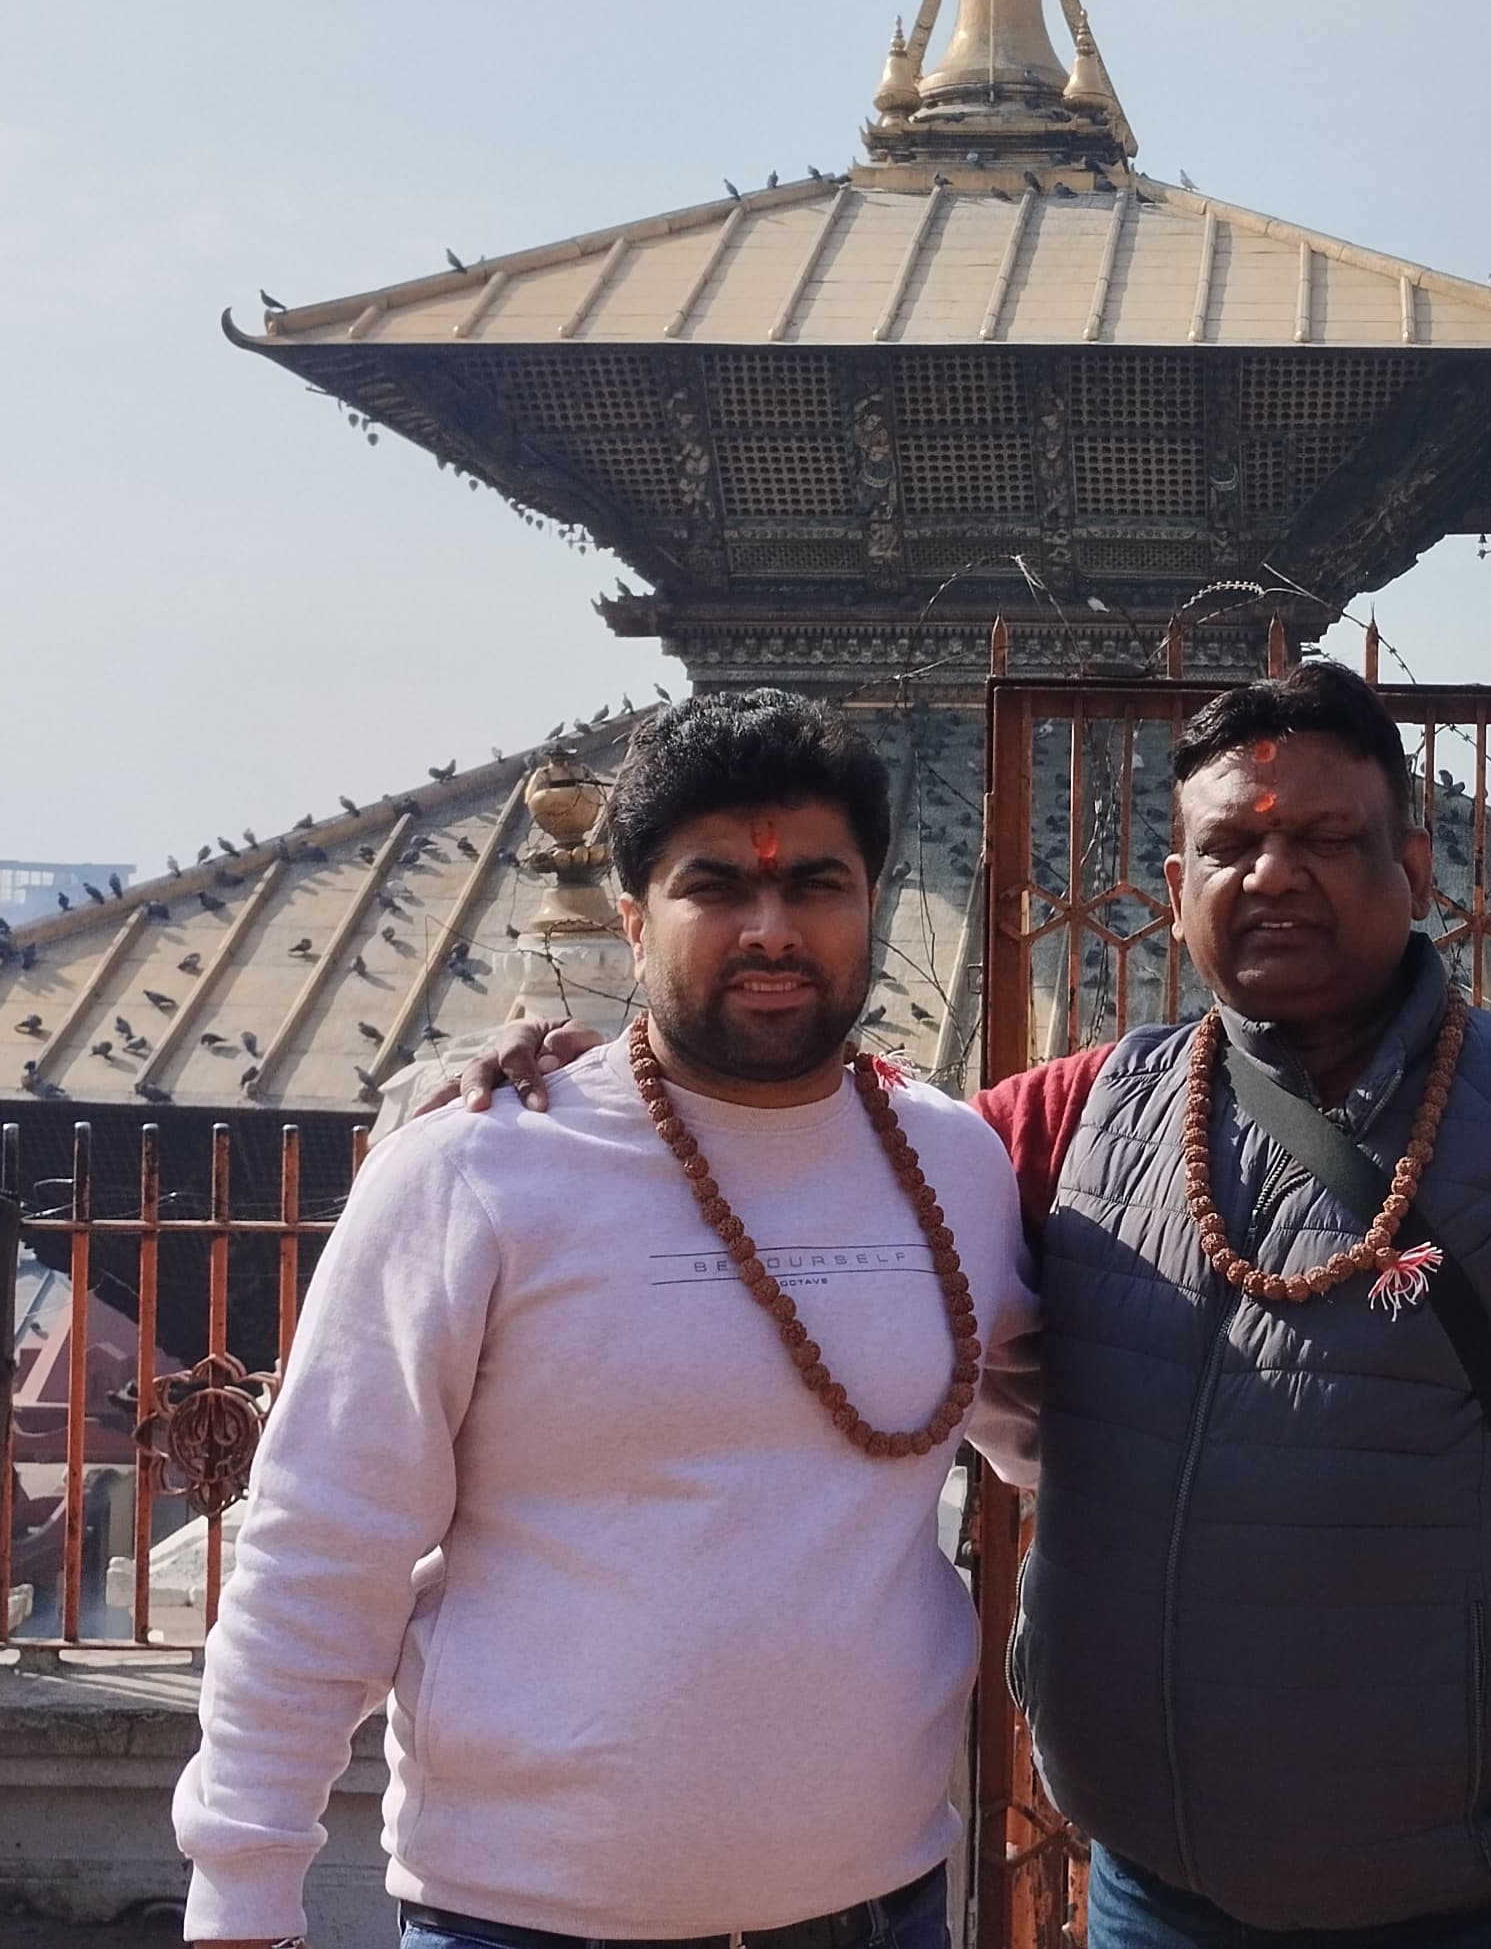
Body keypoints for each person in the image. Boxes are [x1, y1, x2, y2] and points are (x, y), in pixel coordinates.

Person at [468, 663, 1491, 1949]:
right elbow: (830, 1166)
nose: (1274, 876)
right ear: (1177, 885)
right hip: (1153, 1893)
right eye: (1233, 846)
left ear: (1415, 870)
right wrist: (610, 1088)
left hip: (1486, 1902)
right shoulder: (1082, 1116)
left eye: (1325, 839)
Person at [179, 691, 1038, 1949]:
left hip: (876, 1901)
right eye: (714, 888)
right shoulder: (475, 1172)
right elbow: (323, 1547)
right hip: (523, 1914)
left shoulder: (953, 1166)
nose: (771, 928)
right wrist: (240, 1891)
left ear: (873, 905)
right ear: (633, 921)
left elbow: (1065, 1428)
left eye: (815, 884)